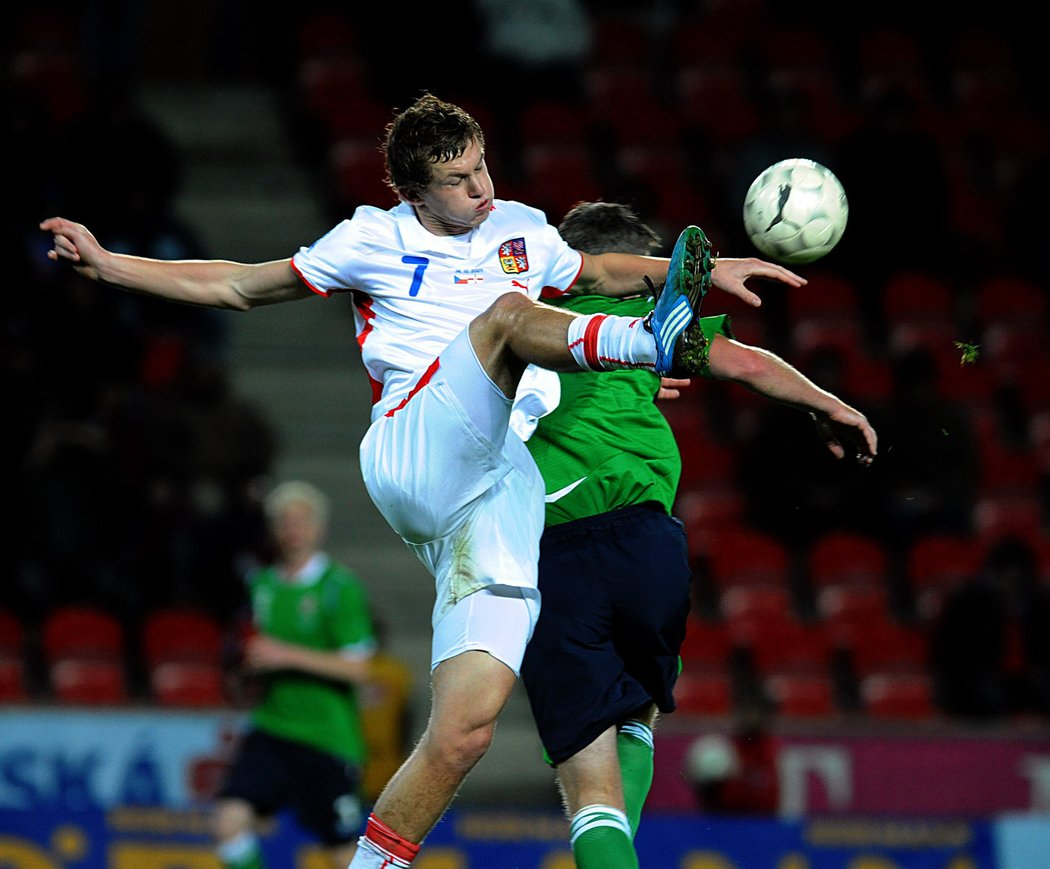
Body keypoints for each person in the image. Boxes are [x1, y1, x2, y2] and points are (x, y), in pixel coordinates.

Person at [40, 92, 871, 866]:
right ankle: (652, 345)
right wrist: (110, 264)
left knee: (464, 730)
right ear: (411, 190)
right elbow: (233, 283)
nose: (481, 187)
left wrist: (703, 265)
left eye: (481, 166)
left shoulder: (517, 225)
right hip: (414, 441)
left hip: (493, 487)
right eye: (457, 179)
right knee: (506, 320)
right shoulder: (368, 237)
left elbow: (596, 272)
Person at [515, 201, 877, 867]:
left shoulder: (525, 327)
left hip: (554, 547)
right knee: (639, 713)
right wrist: (829, 404)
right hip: (650, 542)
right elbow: (747, 362)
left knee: (585, 781)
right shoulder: (650, 329)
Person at [213, 480, 376, 869]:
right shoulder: (262, 586)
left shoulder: (339, 587)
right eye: (284, 521)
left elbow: (359, 668)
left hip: (326, 738)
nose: (293, 529)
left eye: (302, 520)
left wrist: (285, 655)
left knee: (341, 852)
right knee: (227, 821)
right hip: (272, 728)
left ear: (319, 528)